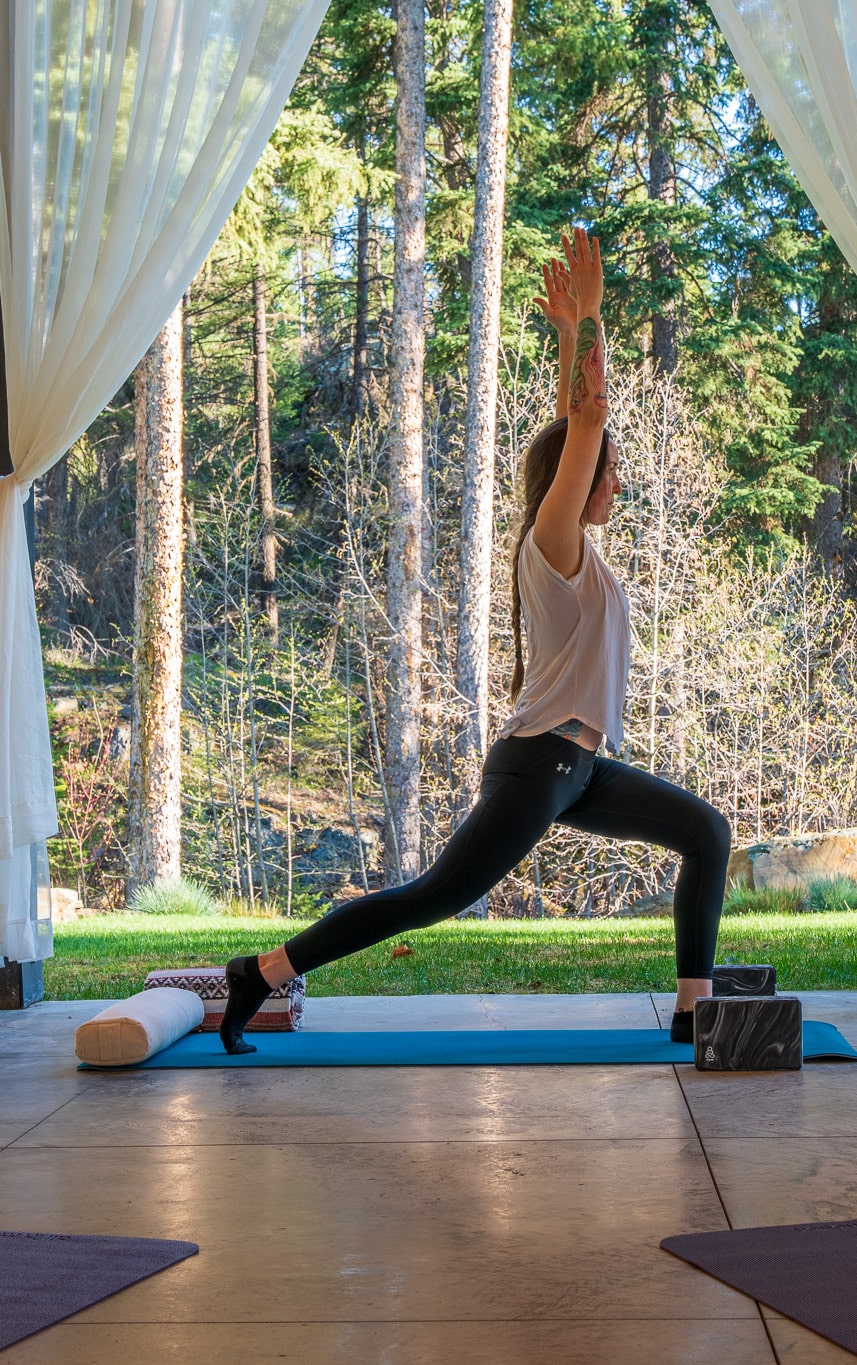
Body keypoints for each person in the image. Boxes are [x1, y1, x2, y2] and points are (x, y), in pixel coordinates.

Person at [216, 228, 731, 1053]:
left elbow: (581, 419)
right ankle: (264, 970)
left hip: (580, 765)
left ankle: (693, 1009)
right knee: (432, 897)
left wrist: (571, 336)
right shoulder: (551, 541)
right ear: (577, 478)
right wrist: (587, 325)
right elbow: (585, 419)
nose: (618, 483)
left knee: (705, 833)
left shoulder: (579, 552)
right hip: (540, 765)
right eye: (609, 471)